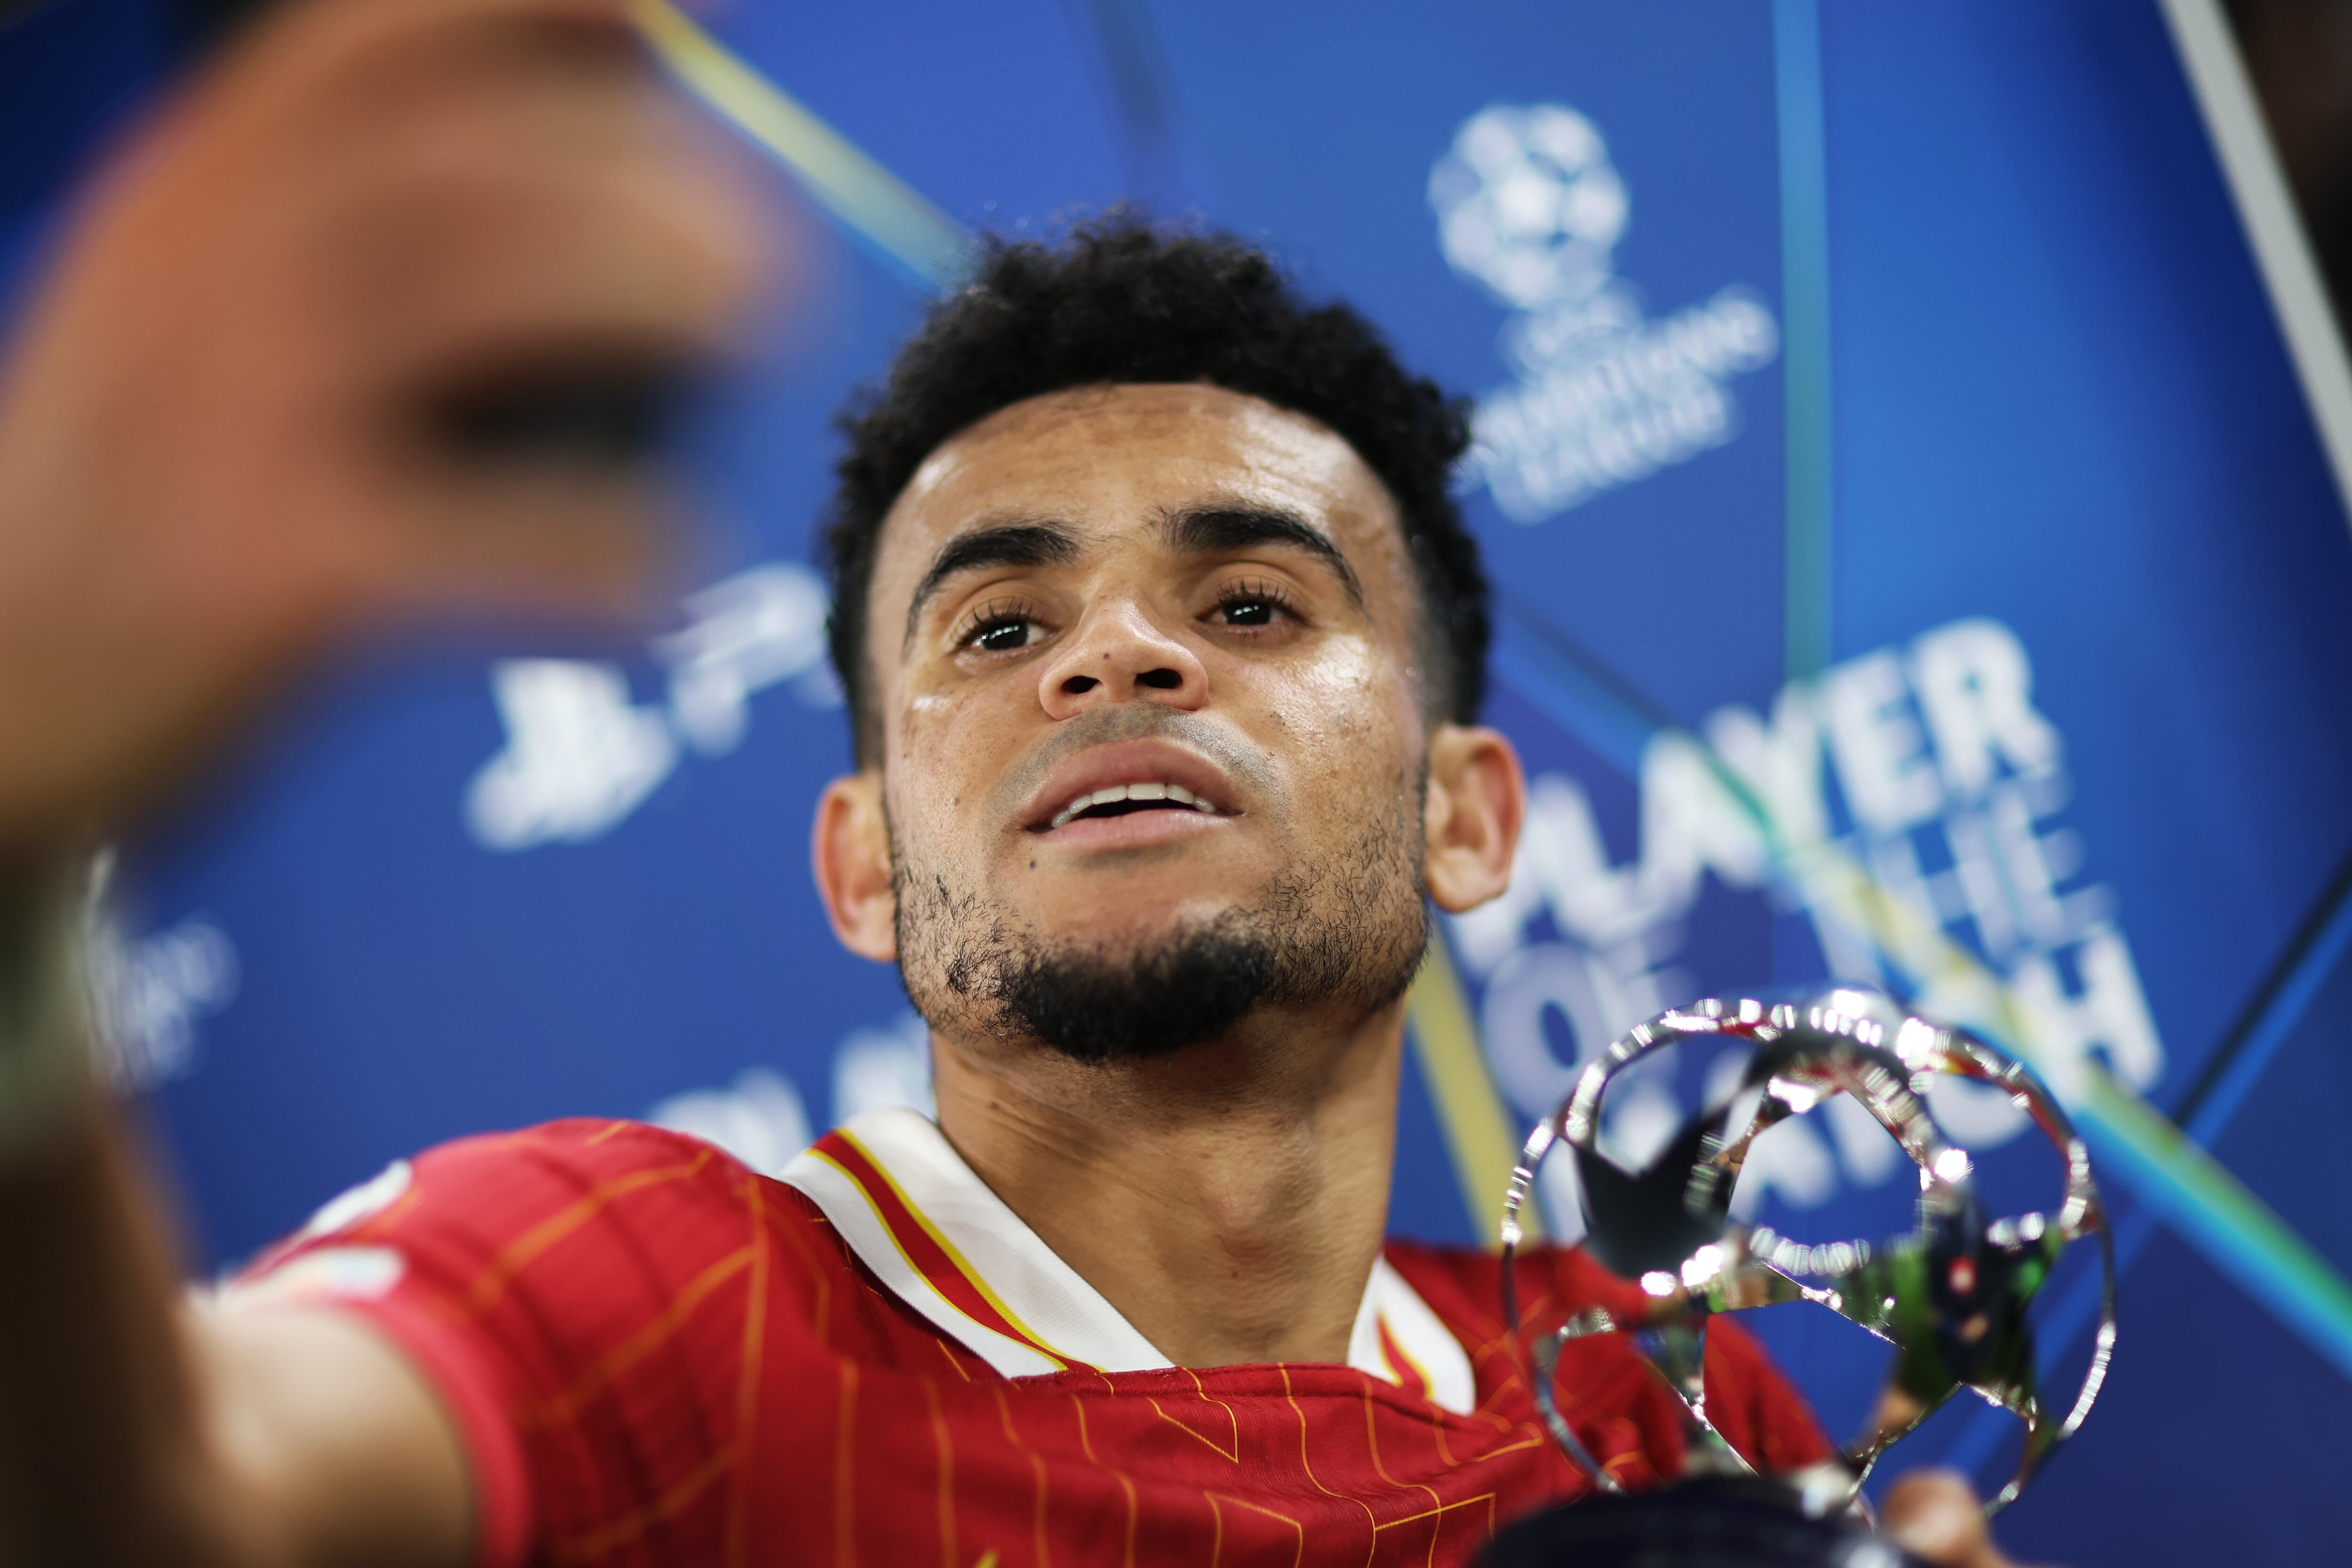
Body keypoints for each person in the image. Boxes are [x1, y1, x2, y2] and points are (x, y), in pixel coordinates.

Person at [0, 2, 2031, 1563]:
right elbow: (157, 1511)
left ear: (1462, 812)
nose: (1116, 656)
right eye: (992, 629)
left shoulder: (1651, 1395)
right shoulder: (657, 1301)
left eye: (1248, 602)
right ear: (865, 866)